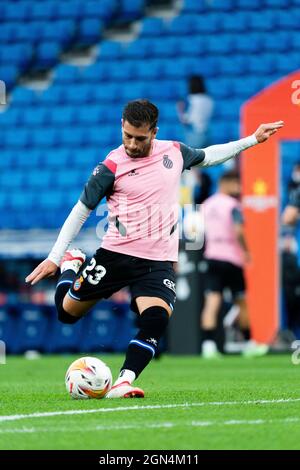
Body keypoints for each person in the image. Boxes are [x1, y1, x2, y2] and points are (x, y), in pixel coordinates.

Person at [26, 99, 283, 397]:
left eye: (140, 138)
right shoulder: (110, 166)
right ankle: (73, 264)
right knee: (66, 314)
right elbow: (81, 210)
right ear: (121, 127)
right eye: (127, 136)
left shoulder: (173, 152)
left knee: (157, 318)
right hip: (115, 256)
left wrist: (252, 139)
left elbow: (209, 156)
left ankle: (124, 380)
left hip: (157, 260)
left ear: (154, 132)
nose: (132, 145)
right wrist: (56, 258)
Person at [200, 171, 269, 359]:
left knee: (212, 301)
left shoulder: (206, 204)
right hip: (231, 259)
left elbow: (198, 232)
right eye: (237, 184)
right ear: (227, 183)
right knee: (241, 302)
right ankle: (249, 343)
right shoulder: (233, 205)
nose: (239, 188)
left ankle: (208, 346)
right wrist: (246, 251)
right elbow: (238, 231)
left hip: (212, 256)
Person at [177, 75, 214, 149]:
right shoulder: (209, 99)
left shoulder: (191, 99)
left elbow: (186, 120)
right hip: (207, 133)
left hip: (195, 135)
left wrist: (180, 109)